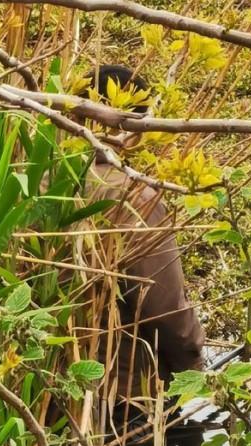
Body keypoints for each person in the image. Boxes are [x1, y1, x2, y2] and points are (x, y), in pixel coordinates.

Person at [81, 65, 205, 426]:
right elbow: (164, 308)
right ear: (134, 126)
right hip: (121, 397)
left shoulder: (34, 176)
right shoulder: (135, 198)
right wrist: (195, 364)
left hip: (41, 387)